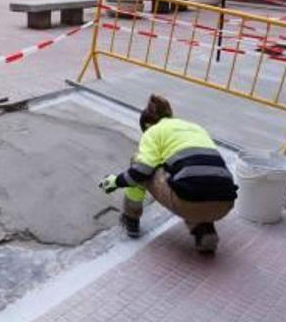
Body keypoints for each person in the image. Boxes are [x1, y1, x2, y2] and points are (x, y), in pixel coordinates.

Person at [99, 95, 238, 253]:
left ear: (148, 124)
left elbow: (141, 170)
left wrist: (115, 181)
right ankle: (205, 231)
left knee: (139, 163)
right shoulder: (195, 127)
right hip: (225, 202)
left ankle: (131, 219)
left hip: (189, 202)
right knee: (194, 179)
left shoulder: (153, 132)